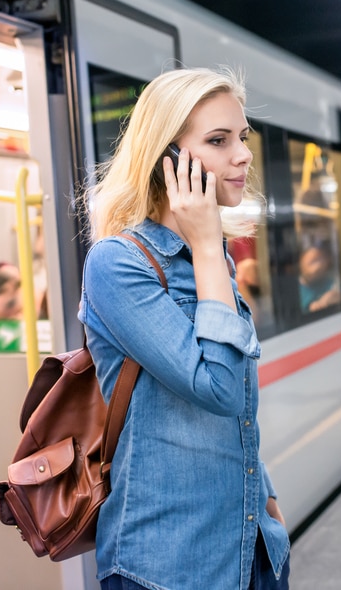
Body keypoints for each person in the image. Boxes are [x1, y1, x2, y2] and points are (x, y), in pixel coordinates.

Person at [79, 68, 290, 589]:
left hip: (251, 547)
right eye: (218, 141)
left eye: (241, 137)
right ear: (166, 158)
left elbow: (237, 409)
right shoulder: (117, 265)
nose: (242, 155)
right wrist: (203, 244)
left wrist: (265, 501)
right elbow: (216, 388)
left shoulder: (213, 258)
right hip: (170, 564)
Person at [298, 244, 341, 313]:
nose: (318, 266)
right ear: (302, 266)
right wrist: (310, 309)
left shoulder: (331, 282)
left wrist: (335, 296)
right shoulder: (295, 289)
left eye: (321, 260)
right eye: (313, 261)